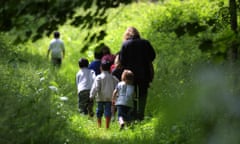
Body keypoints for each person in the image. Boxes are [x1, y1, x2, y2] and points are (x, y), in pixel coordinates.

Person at [119, 26, 156, 121]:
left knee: (132, 94)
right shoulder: (145, 43)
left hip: (130, 75)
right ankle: (141, 115)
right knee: (143, 94)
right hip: (144, 73)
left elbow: (122, 61)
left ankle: (133, 114)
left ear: (127, 35)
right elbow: (152, 56)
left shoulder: (125, 44)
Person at [89, 60, 119, 129]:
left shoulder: (99, 77)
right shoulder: (114, 78)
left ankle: (99, 125)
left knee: (99, 111)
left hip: (100, 98)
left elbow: (95, 88)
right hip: (110, 98)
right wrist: (117, 98)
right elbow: (117, 87)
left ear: (101, 68)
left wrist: (91, 96)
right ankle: (107, 126)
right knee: (108, 112)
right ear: (110, 69)